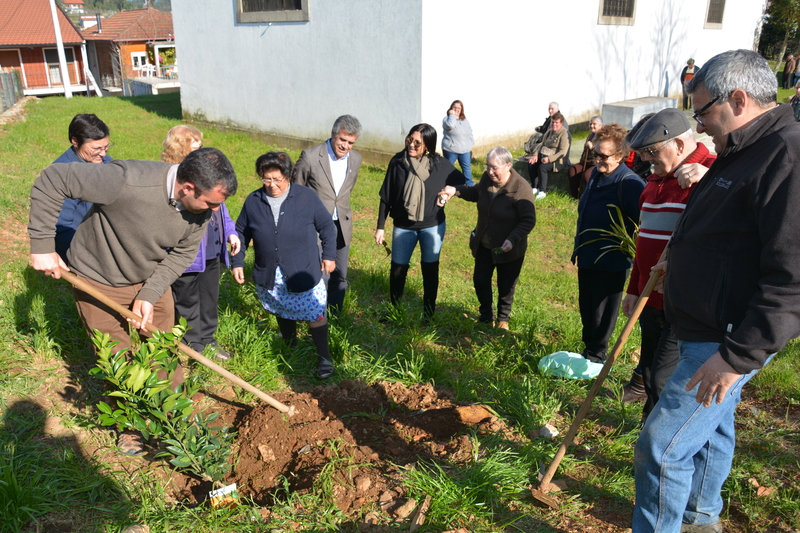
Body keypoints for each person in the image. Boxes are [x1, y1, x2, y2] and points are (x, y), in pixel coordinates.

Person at [633, 49, 800, 533]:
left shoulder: (786, 155)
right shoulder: (743, 149)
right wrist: (677, 252)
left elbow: (792, 277)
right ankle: (701, 518)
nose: (700, 128)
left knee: (662, 447)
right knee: (712, 430)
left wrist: (736, 357)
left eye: (703, 111)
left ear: (740, 98)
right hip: (703, 325)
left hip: (726, 337)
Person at [28, 147, 238, 455]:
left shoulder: (203, 211)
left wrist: (150, 293)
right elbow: (53, 179)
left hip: (149, 275)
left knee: (164, 348)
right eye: (210, 202)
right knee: (117, 357)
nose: (214, 210)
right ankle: (129, 426)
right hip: (98, 278)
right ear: (188, 187)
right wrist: (43, 244)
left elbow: (181, 254)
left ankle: (177, 418)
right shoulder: (126, 180)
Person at [618, 108, 715, 412]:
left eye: (651, 151)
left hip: (683, 303)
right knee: (649, 372)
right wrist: (634, 287)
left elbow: (747, 195)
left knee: (662, 377)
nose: (646, 160)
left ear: (679, 146)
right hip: (650, 299)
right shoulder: (652, 184)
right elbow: (643, 243)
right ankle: (650, 431)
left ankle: (665, 444)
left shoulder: (713, 171)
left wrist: (710, 178)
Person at [232, 152, 337, 379]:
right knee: (281, 305)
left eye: (277, 179)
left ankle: (324, 358)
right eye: (267, 179)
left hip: (303, 269)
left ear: (288, 176)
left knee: (314, 312)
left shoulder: (306, 197)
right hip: (271, 271)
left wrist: (329, 255)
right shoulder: (253, 201)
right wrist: (237, 262)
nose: (272, 185)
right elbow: (240, 232)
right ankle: (290, 346)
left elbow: (328, 227)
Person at [374, 123, 466, 319]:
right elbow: (386, 196)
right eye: (410, 140)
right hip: (403, 226)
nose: (412, 145)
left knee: (430, 269)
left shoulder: (438, 164)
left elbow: (461, 181)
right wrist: (380, 227)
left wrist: (448, 194)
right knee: (398, 268)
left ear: (428, 146)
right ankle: (394, 311)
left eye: (418, 142)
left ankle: (429, 313)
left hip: (432, 226)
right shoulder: (398, 162)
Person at [571, 124, 646, 364]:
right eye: (596, 154)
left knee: (602, 312)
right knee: (588, 308)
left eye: (604, 156)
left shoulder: (629, 183)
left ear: (621, 155)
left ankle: (597, 356)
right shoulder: (595, 174)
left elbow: (641, 224)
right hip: (588, 255)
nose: (598, 160)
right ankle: (588, 350)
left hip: (612, 261)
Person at [165, 126, 241, 362]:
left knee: (209, 297)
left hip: (211, 248)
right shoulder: (176, 182)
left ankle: (209, 339)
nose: (201, 152)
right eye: (195, 147)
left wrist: (230, 232)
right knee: (188, 300)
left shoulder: (209, 180)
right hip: (188, 253)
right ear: (179, 148)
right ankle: (192, 343)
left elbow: (222, 210)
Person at [438, 147, 535, 329]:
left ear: (508, 165)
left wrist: (513, 239)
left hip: (509, 248)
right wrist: (455, 190)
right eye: (487, 167)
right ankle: (485, 316)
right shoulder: (486, 180)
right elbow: (475, 193)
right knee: (480, 281)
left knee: (506, 286)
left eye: (494, 168)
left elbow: (528, 220)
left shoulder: (521, 189)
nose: (490, 172)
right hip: (484, 244)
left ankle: (503, 320)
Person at [293, 115, 363, 315]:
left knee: (340, 273)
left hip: (341, 225)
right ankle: (317, 316)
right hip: (314, 225)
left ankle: (335, 314)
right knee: (321, 273)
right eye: (342, 140)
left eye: (351, 142)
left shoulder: (356, 159)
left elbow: (345, 192)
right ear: (333, 134)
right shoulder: (311, 156)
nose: (345, 146)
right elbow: (296, 191)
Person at [54, 114, 113, 263]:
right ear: (75, 141)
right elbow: (62, 228)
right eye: (96, 148)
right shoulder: (62, 176)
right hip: (82, 251)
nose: (104, 154)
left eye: (106, 147)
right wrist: (89, 258)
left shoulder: (104, 161)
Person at [527, 112, 569, 199]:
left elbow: (562, 152)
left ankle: (543, 191)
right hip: (543, 155)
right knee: (532, 163)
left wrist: (549, 159)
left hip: (557, 160)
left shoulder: (564, 134)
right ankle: (535, 187)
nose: (554, 124)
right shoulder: (549, 132)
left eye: (556, 122)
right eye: (552, 122)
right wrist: (535, 155)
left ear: (561, 123)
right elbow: (541, 145)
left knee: (543, 167)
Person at [441, 100, 475, 186]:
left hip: (465, 150)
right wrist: (452, 115)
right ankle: (445, 185)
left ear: (461, 109)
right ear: (450, 108)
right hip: (451, 149)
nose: (456, 109)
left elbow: (470, 132)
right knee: (447, 168)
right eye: (454, 107)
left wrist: (470, 143)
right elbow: (450, 125)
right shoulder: (447, 119)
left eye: (459, 108)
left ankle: (470, 187)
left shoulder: (465, 121)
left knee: (467, 169)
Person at [567, 115, 602, 198]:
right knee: (572, 170)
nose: (591, 126)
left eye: (594, 124)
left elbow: (601, 154)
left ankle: (591, 197)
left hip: (596, 163)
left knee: (587, 175)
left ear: (600, 126)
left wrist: (592, 147)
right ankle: (575, 196)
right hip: (586, 161)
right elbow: (584, 152)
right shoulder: (590, 136)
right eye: (590, 124)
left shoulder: (602, 137)